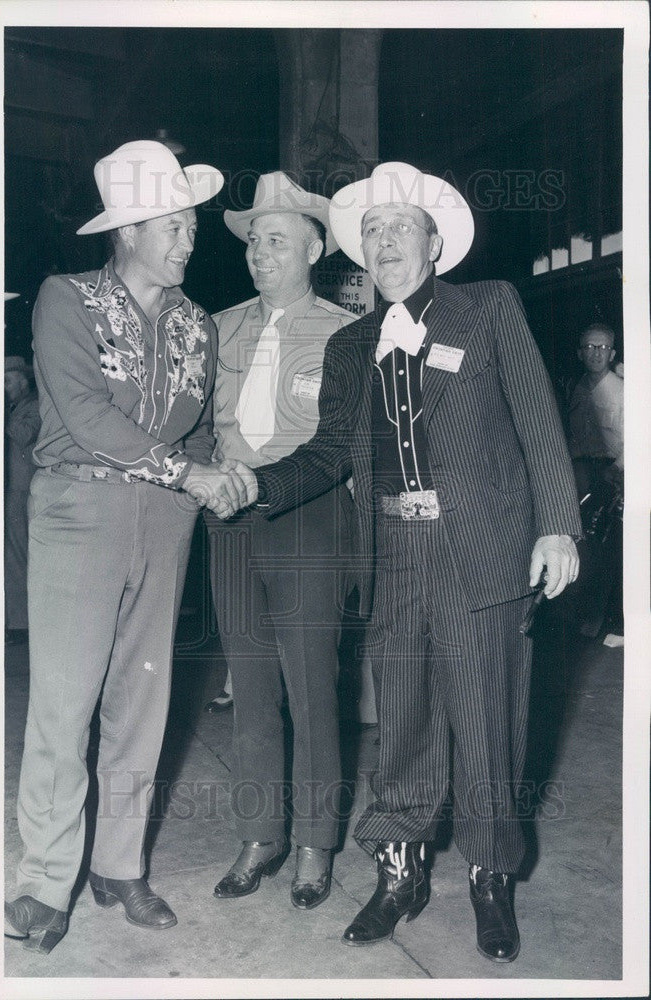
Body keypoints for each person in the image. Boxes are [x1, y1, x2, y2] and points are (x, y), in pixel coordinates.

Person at [226, 162, 581, 960]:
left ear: (434, 241)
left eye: (399, 227)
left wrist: (558, 524)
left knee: (487, 722)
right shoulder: (354, 343)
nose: (384, 242)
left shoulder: (487, 308)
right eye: (372, 232)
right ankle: (401, 874)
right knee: (404, 722)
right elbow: (324, 454)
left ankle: (492, 879)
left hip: (479, 550)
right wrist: (258, 482)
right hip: (392, 553)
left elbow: (537, 420)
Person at [4, 140, 254, 954]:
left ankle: (118, 866)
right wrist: (192, 471)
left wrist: (224, 476)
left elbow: (207, 428)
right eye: (177, 226)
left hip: (167, 519)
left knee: (142, 704)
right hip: (81, 510)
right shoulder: (65, 299)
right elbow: (82, 413)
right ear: (132, 229)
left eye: (190, 226)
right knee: (64, 702)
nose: (191, 240)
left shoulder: (196, 326)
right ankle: (45, 879)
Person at [206, 171, 355, 909]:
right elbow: (202, 428)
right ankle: (261, 833)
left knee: (310, 682)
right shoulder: (221, 326)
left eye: (277, 240)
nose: (261, 254)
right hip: (228, 521)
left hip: (310, 518)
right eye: (254, 242)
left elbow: (342, 443)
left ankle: (313, 843)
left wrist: (265, 483)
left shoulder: (342, 333)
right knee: (251, 679)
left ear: (315, 247)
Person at [567, 323, 624, 642]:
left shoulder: (622, 389)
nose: (595, 354)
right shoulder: (577, 388)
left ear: (612, 353)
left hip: (613, 475)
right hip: (582, 474)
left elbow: (637, 440)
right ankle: (585, 622)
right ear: (580, 353)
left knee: (610, 551)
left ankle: (612, 623)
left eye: (602, 348)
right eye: (589, 347)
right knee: (582, 548)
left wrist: (615, 471)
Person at [4, 354, 41, 644]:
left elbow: (23, 435)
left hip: (23, 492)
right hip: (12, 490)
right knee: (13, 556)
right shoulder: (17, 406)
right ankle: (17, 622)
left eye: (7, 381)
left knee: (20, 556)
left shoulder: (33, 406)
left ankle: (23, 625)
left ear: (22, 380)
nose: (4, 388)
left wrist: (1, 412)